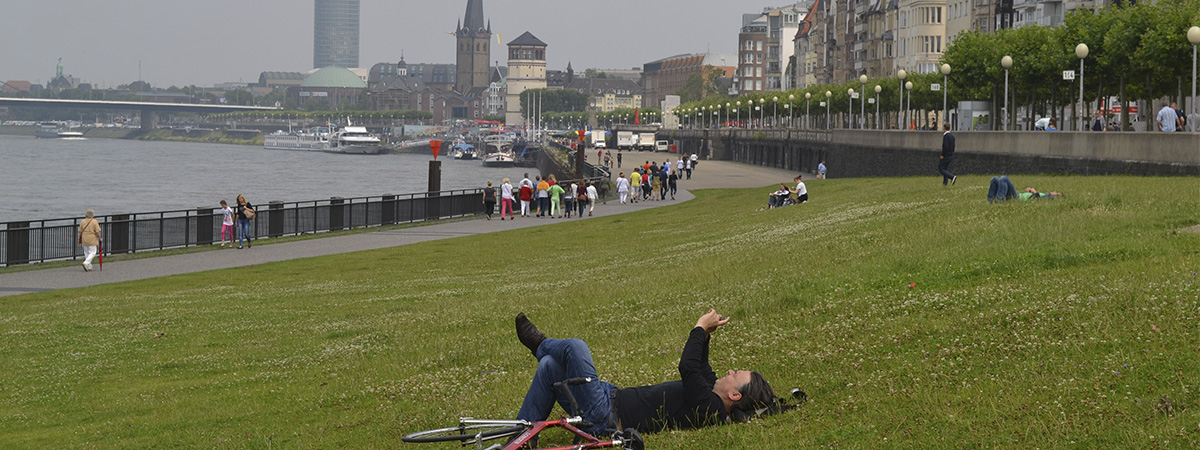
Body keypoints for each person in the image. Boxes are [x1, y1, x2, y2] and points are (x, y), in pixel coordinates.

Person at [513, 310, 776, 436]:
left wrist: (698, 327)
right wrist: (706, 335)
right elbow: (701, 368)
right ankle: (521, 435)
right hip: (607, 396)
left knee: (575, 347)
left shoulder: (710, 409)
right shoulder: (708, 394)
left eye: (736, 374)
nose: (730, 370)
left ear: (734, 395)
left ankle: (539, 343)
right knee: (549, 366)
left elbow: (688, 367)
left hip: (604, 415)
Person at [988, 176, 1062, 202]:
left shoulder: (1045, 198)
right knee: (995, 179)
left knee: (1004, 179)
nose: (1055, 191)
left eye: (1056, 193)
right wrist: (1031, 191)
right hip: (1017, 194)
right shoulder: (1041, 195)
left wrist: (1034, 191)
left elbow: (1037, 199)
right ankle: (990, 201)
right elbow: (1034, 198)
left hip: (1016, 197)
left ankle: (999, 202)